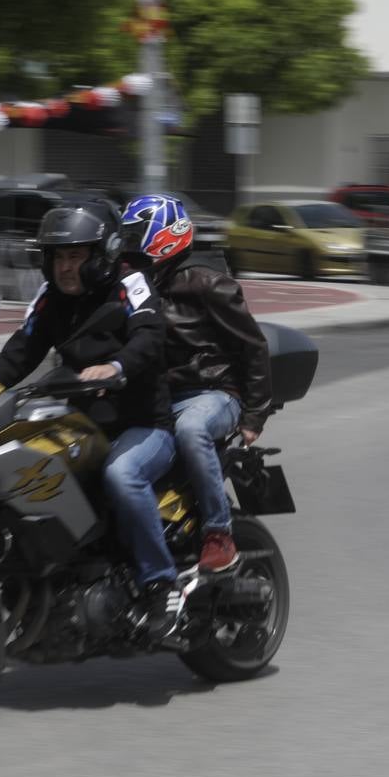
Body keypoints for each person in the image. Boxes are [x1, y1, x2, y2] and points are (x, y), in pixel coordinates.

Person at [0, 199, 186, 643]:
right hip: (77, 424)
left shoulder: (131, 283)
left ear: (103, 255)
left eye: (75, 256)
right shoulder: (51, 299)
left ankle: (161, 583)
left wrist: (117, 368)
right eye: (57, 256)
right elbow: (19, 353)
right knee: (17, 468)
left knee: (122, 474)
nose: (65, 267)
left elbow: (150, 336)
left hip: (143, 425)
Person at [118, 193, 272, 575]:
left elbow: (253, 348)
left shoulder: (207, 284)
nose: (128, 243)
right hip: (161, 400)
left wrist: (254, 415)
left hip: (215, 394)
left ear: (162, 235)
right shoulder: (135, 288)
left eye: (136, 234)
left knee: (190, 428)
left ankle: (218, 534)